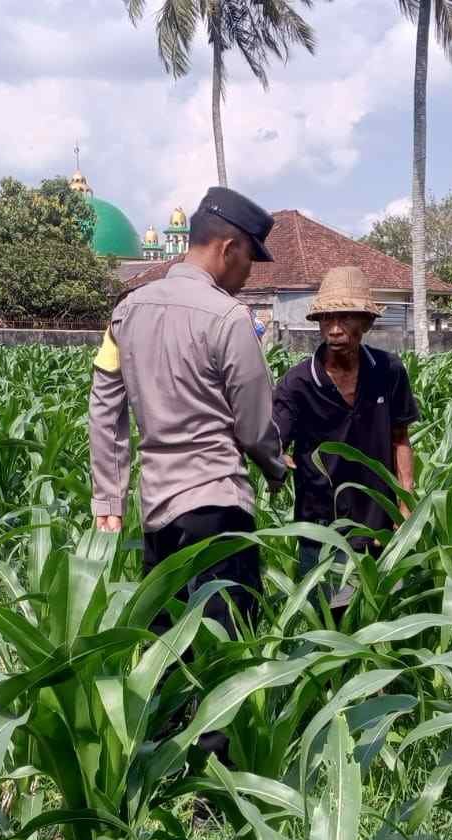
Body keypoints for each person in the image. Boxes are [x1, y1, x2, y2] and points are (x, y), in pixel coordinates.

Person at [89, 185, 288, 633]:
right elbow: (254, 425)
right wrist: (276, 468)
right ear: (228, 248)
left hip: (157, 512)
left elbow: (104, 407)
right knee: (227, 646)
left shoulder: (125, 313)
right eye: (249, 259)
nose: (248, 273)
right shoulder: (230, 318)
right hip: (218, 506)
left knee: (165, 649)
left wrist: (109, 497)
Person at [273, 266, 419, 581]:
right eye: (327, 319)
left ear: (366, 322)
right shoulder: (297, 383)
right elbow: (275, 442)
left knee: (381, 606)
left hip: (380, 523)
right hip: (322, 527)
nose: (335, 329)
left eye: (346, 317)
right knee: (327, 608)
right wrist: (277, 457)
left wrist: (405, 505)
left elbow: (400, 438)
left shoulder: (388, 370)